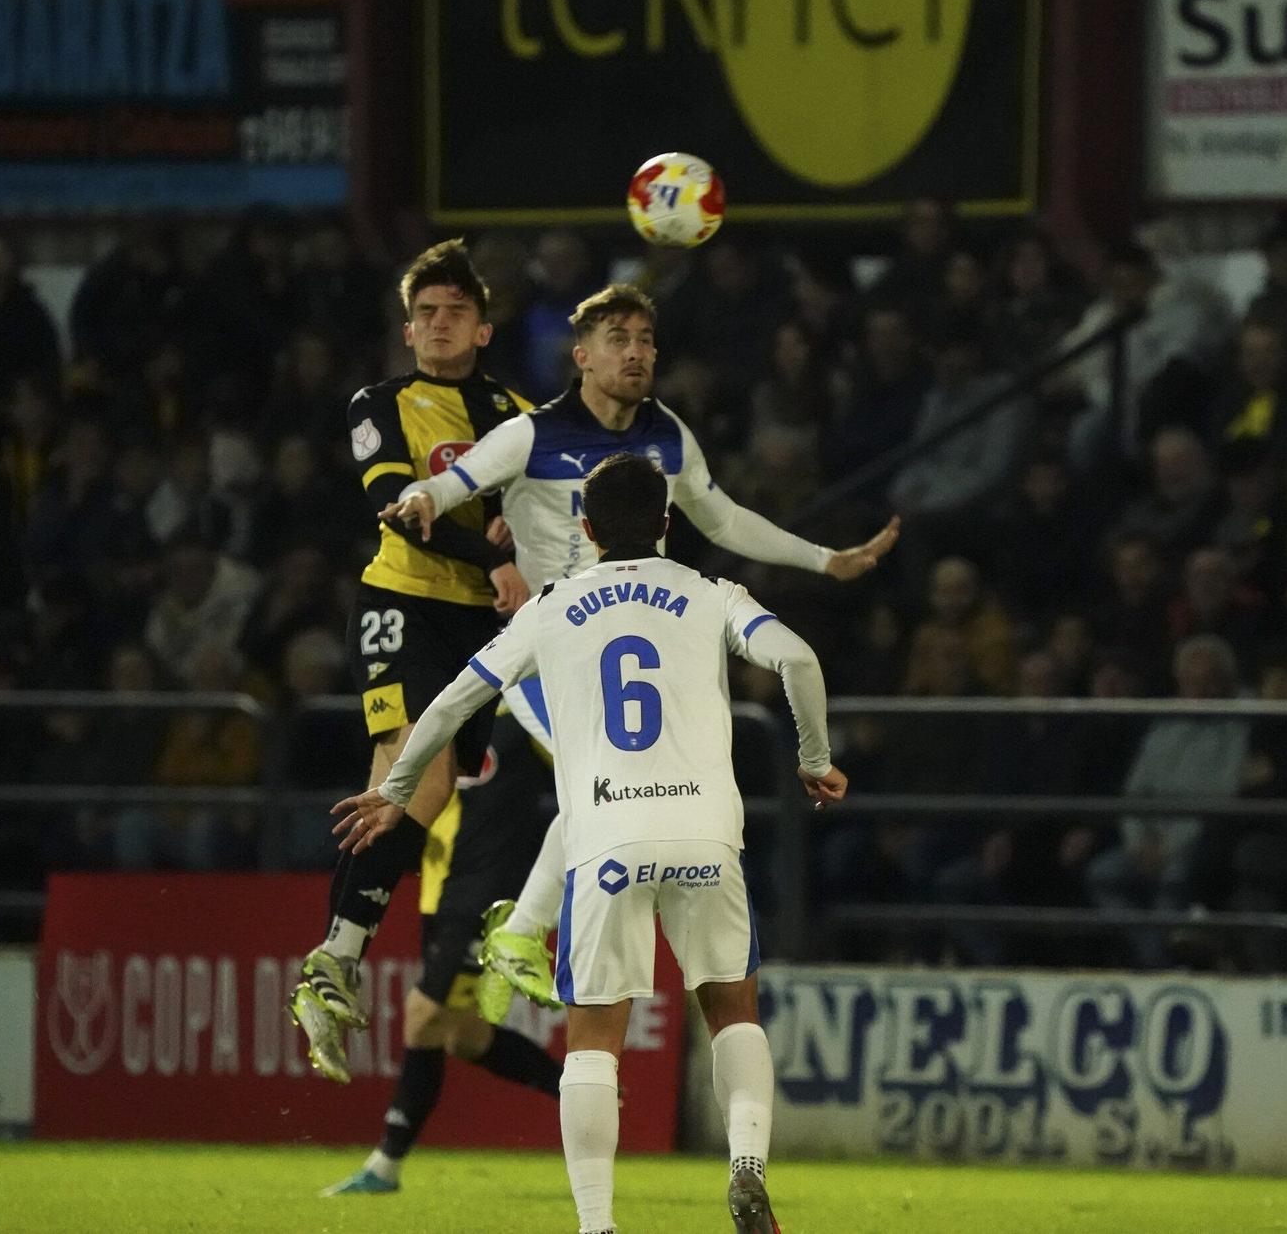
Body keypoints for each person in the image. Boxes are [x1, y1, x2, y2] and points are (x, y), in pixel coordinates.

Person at [331, 281, 894, 1197]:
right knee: (729, 998)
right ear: (580, 354)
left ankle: (523, 933)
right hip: (627, 709)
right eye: (615, 337)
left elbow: (726, 515)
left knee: (593, 964)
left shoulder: (667, 436)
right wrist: (422, 499)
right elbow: (457, 477)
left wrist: (824, 556)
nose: (634, 351)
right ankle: (530, 937)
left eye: (645, 338)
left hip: (559, 641)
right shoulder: (540, 436)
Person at [286, 241, 535, 1091]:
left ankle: (337, 958)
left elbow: (536, 520)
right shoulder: (382, 401)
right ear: (407, 328)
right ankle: (334, 959)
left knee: (429, 794)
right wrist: (492, 553)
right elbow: (395, 508)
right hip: (404, 602)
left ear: (484, 326)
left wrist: (522, 549)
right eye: (425, 313)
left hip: (490, 626)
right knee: (408, 775)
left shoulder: (516, 411)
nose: (438, 324)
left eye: (454, 312)